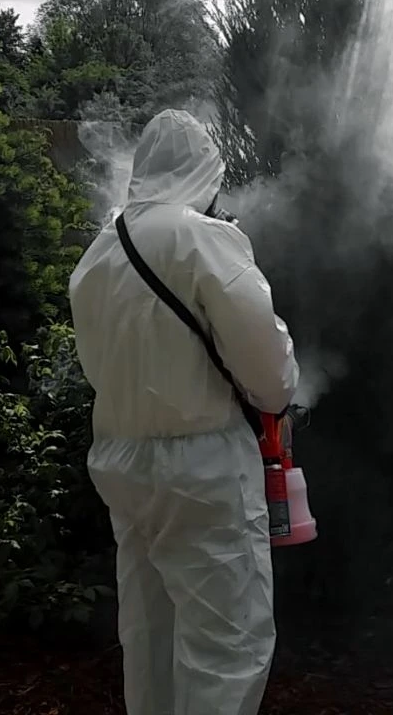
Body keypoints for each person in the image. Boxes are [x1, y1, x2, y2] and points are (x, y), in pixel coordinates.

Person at [68, 109, 299, 715]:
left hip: (122, 462)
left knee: (149, 632)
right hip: (202, 467)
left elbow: (100, 369)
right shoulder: (203, 239)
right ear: (203, 173)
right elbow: (268, 372)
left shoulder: (97, 255)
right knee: (228, 642)